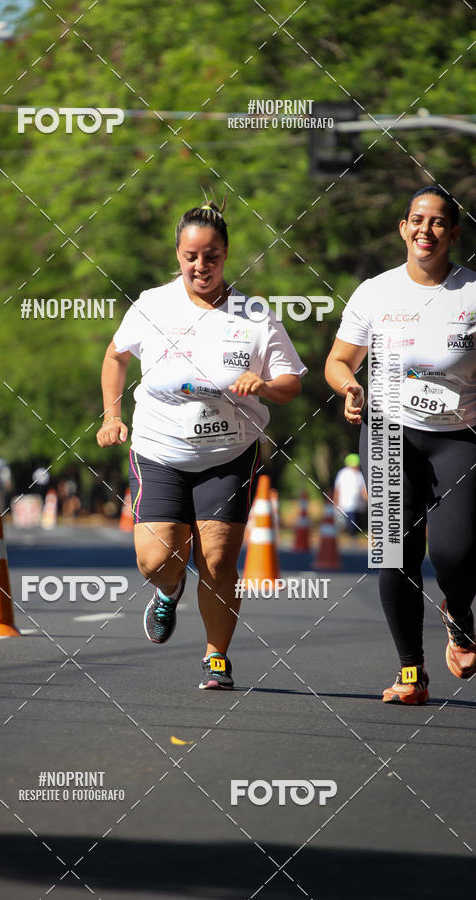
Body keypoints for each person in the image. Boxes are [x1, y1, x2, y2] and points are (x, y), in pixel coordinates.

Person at [96, 199, 306, 689]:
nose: (201, 266)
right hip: (159, 449)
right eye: (191, 256)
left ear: (226, 254)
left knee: (217, 558)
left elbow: (291, 383)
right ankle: (168, 591)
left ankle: (217, 657)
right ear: (178, 255)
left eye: (211, 256)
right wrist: (111, 415)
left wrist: (265, 385)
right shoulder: (152, 305)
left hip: (229, 455)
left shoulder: (255, 315)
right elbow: (116, 355)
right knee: (156, 559)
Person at [325, 185, 476, 704]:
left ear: (453, 233)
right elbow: (338, 360)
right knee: (394, 554)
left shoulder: (471, 293)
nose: (425, 230)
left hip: (458, 437)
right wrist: (349, 387)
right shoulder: (376, 292)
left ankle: (459, 612)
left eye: (438, 222)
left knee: (456, 553)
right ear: (403, 228)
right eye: (417, 220)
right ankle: (411, 671)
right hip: (388, 431)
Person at [333, 453, 368, 536]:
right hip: (347, 505)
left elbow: (363, 491)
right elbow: (337, 490)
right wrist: (336, 502)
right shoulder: (343, 474)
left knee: (355, 526)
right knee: (351, 527)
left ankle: (352, 536)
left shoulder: (359, 475)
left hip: (357, 506)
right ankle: (351, 536)